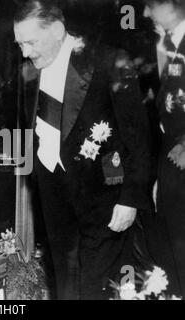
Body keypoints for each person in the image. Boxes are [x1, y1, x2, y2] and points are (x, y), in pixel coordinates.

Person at [14, 0, 151, 299]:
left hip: (104, 199)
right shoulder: (28, 72)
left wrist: (130, 198)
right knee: (63, 283)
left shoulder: (109, 61)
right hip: (54, 198)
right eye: (20, 44)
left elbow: (139, 139)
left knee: (96, 287)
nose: (25, 52)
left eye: (31, 42)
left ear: (58, 30)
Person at [143, 0, 185, 297]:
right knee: (171, 240)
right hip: (169, 158)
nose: (144, 13)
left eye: (149, 5)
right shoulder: (162, 45)